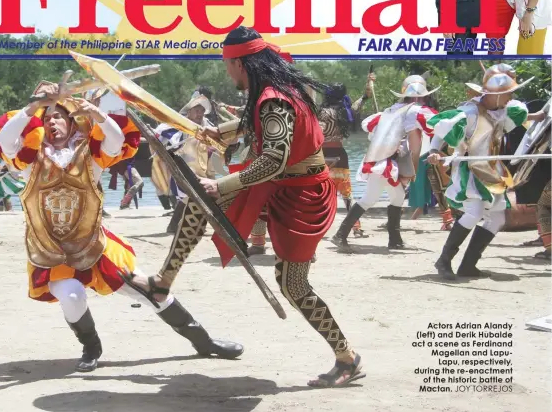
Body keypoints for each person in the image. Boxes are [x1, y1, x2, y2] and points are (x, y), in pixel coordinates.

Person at [119, 26, 364, 388]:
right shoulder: (275, 90)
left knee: (293, 285)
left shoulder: (273, 99)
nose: (226, 71)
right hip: (281, 187)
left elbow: (274, 159)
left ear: (239, 62)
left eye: (227, 64)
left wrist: (221, 183)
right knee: (200, 202)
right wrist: (225, 132)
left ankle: (347, 357)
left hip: (303, 198)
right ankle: (162, 281)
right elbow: (259, 123)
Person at [0, 81, 242, 372]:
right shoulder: (29, 161)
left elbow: (113, 140)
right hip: (51, 251)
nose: (52, 122)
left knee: (151, 291)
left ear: (73, 124)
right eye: (47, 118)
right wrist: (35, 105)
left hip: (93, 245)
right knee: (71, 295)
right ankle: (91, 345)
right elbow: (7, 140)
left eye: (59, 116)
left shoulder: (90, 156)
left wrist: (96, 113)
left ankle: (204, 342)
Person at [427, 64, 545, 279]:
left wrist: (545, 117)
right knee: (474, 212)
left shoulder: (504, 110)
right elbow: (443, 128)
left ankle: (468, 265)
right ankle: (444, 260)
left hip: (491, 169)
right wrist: (434, 150)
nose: (512, 96)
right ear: (498, 95)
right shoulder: (469, 112)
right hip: (470, 169)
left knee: (498, 219)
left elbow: (528, 118)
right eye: (509, 92)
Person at [331, 76, 438, 251]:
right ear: (420, 97)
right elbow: (436, 126)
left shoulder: (390, 111)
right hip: (386, 163)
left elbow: (369, 126)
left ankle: (394, 240)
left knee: (397, 197)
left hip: (384, 160)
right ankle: (340, 235)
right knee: (369, 198)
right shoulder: (416, 111)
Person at [155, 91, 225, 234]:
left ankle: (176, 226)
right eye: (196, 110)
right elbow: (164, 139)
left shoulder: (206, 124)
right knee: (191, 194)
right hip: (185, 165)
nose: (199, 114)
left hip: (205, 165)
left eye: (202, 111)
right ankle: (213, 225)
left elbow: (218, 140)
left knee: (205, 193)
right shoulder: (180, 125)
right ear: (189, 112)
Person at [318, 74, 375, 239]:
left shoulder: (323, 112)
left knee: (321, 194)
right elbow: (358, 103)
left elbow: (318, 132)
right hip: (340, 154)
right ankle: (356, 227)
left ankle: (319, 228)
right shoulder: (346, 111)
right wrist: (365, 94)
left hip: (323, 155)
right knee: (347, 194)